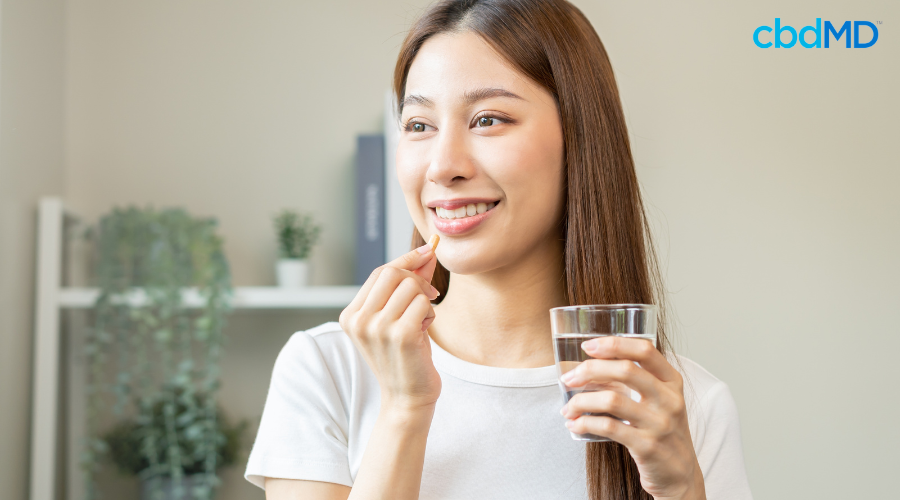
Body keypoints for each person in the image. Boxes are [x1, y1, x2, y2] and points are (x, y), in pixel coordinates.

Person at [244, 1, 753, 499]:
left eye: (488, 119)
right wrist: (404, 408)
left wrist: (683, 488)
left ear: (581, 141)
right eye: (419, 125)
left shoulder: (680, 407)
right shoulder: (327, 369)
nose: (443, 166)